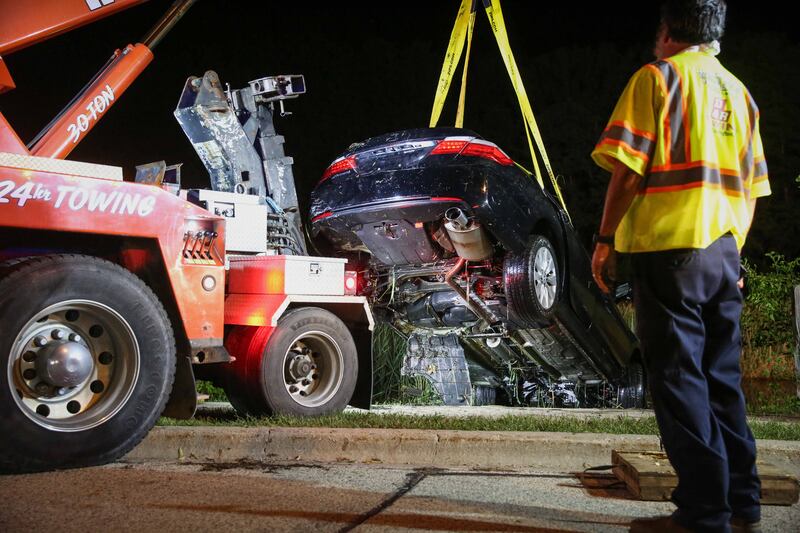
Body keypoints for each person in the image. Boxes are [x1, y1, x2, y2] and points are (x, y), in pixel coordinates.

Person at [589, 1, 770, 531]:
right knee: (721, 380)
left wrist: (605, 241)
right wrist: (733, 250)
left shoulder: (657, 79)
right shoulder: (740, 93)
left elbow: (626, 172)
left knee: (679, 381)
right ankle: (743, 503)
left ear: (667, 31)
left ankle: (702, 511)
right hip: (722, 253)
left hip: (668, 255)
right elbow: (753, 189)